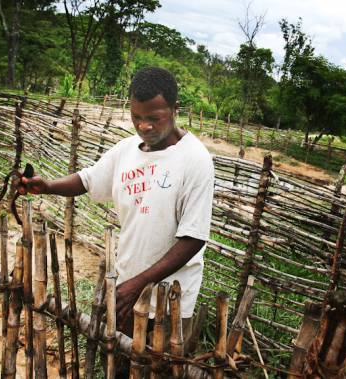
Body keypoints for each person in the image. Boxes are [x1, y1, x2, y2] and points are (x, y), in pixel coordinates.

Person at [15, 67, 214, 375]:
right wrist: (48, 186)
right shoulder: (126, 151)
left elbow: (193, 238)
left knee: (159, 369)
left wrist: (139, 284)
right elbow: (88, 179)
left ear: (175, 110)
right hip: (127, 287)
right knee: (121, 366)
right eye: (136, 117)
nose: (144, 126)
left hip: (169, 298)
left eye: (155, 118)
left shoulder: (195, 160)